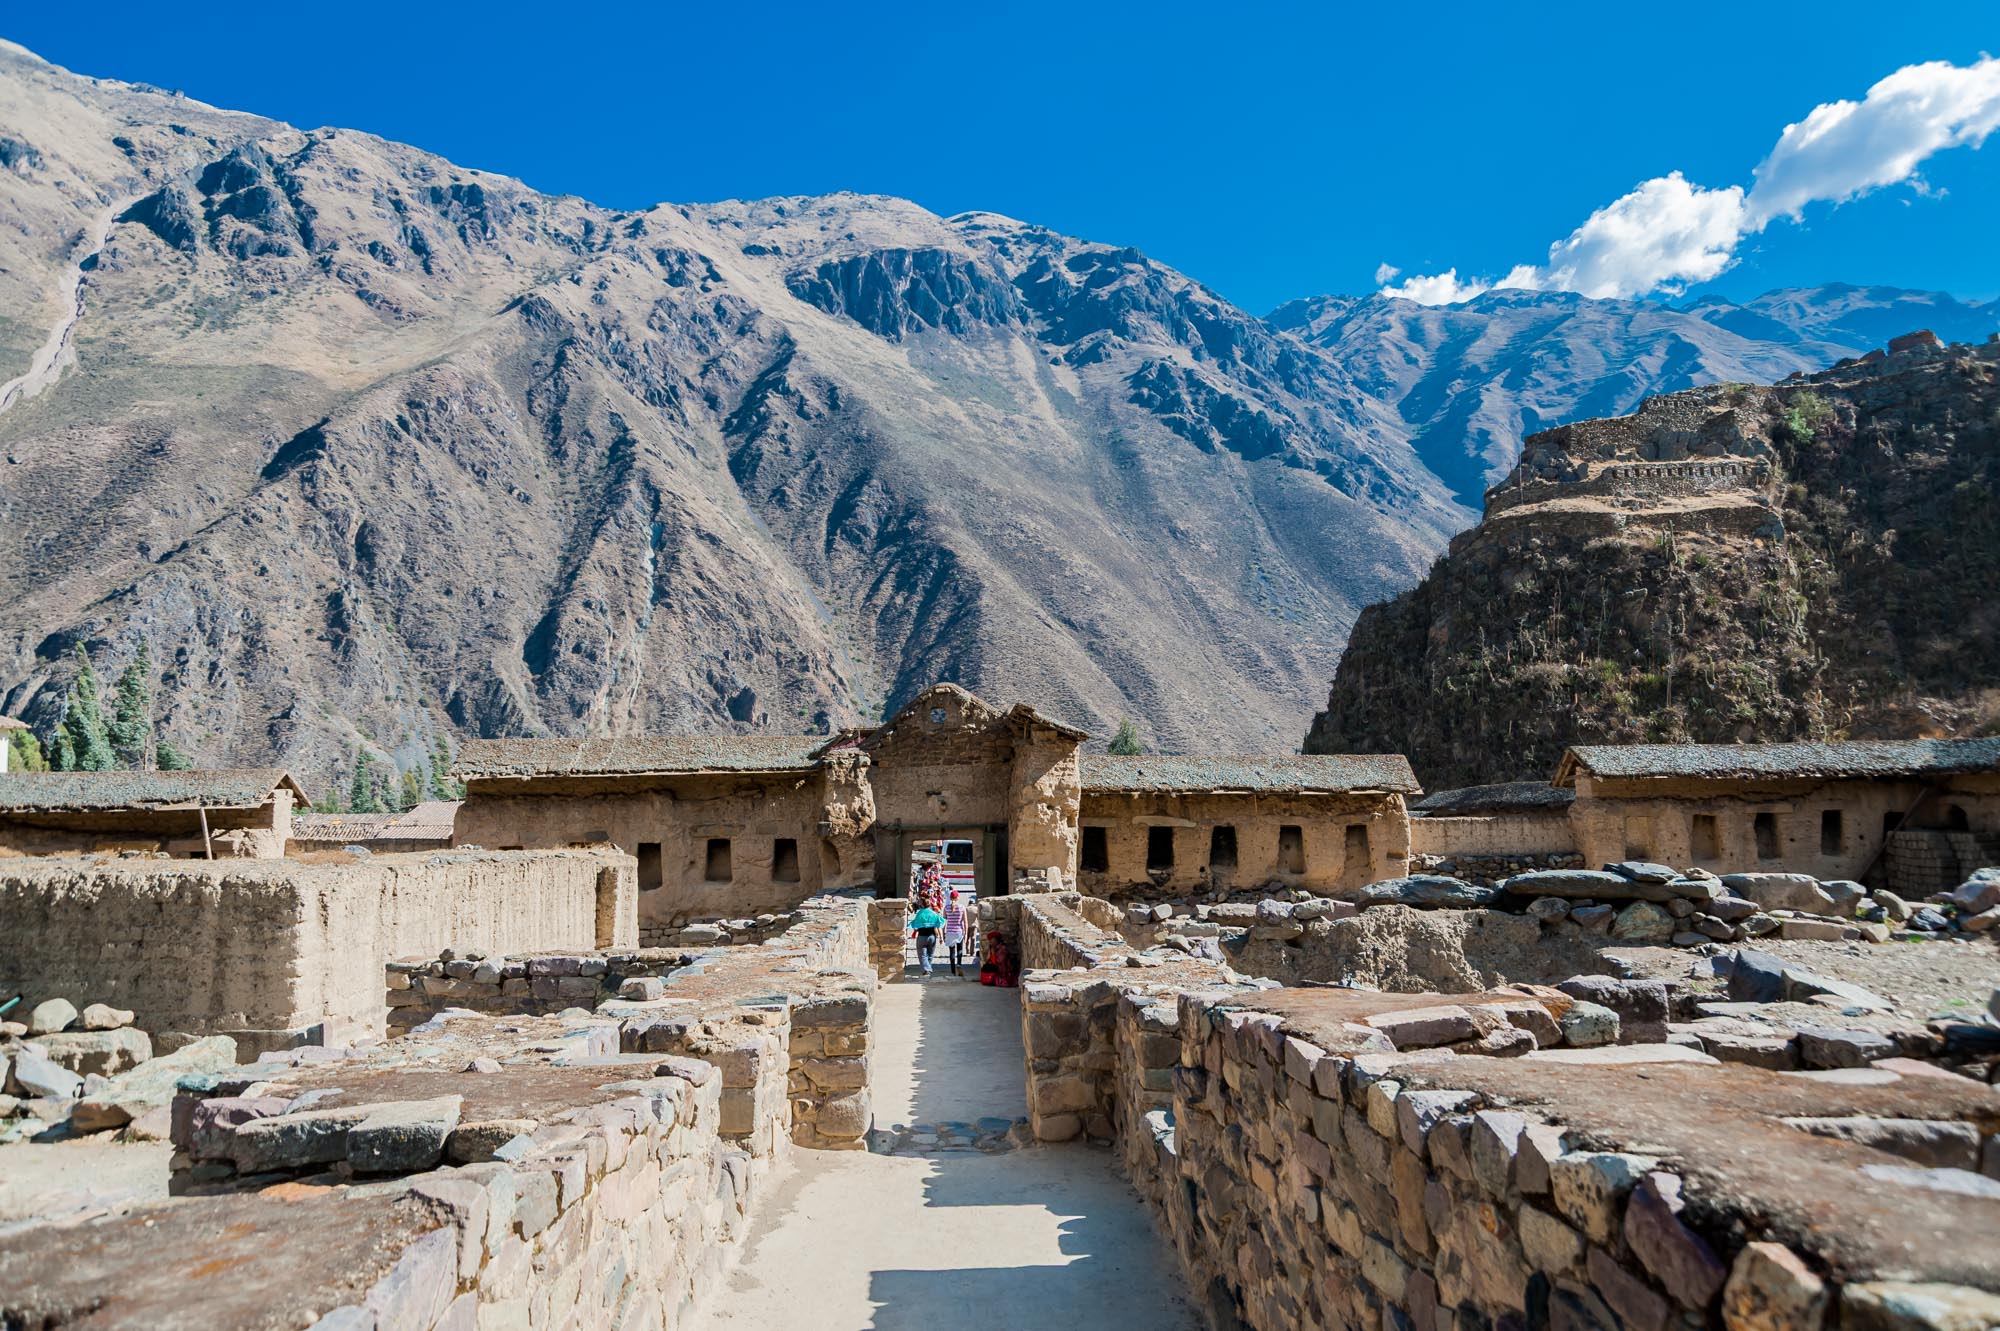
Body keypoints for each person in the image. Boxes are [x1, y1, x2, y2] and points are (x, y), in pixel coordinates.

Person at [908, 902, 943, 977]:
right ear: (929, 905)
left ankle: (927, 969)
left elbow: (914, 924)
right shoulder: (933, 913)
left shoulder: (920, 913)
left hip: (922, 936)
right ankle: (928, 969)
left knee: (922, 954)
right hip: (932, 936)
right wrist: (941, 936)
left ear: (922, 905)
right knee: (930, 954)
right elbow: (940, 922)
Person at [942, 889, 968, 977]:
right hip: (959, 931)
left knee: (952, 952)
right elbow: (965, 922)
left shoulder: (946, 908)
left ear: (950, 897)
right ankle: (959, 964)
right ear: (957, 898)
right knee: (960, 950)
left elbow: (944, 922)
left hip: (949, 932)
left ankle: (953, 971)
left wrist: (943, 933)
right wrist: (966, 933)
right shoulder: (962, 907)